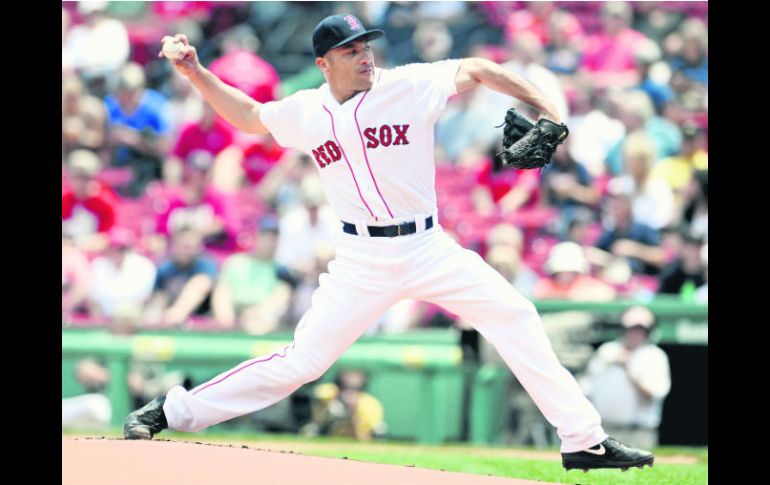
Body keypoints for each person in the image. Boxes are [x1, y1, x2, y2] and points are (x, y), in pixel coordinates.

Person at [125, 14, 654, 471]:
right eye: (350, 51)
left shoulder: (407, 84)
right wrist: (195, 71)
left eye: (367, 47)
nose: (364, 57)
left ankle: (584, 442)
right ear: (323, 64)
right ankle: (170, 412)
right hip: (361, 260)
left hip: (428, 247)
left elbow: (481, 68)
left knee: (514, 315)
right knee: (301, 363)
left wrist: (550, 113)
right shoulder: (307, 110)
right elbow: (248, 115)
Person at [579, 306, 671, 449]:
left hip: (638, 434)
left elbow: (653, 394)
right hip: (603, 432)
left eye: (639, 329)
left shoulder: (655, 355)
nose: (633, 333)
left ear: (649, 331)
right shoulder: (607, 350)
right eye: (629, 328)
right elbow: (586, 388)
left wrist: (628, 369)